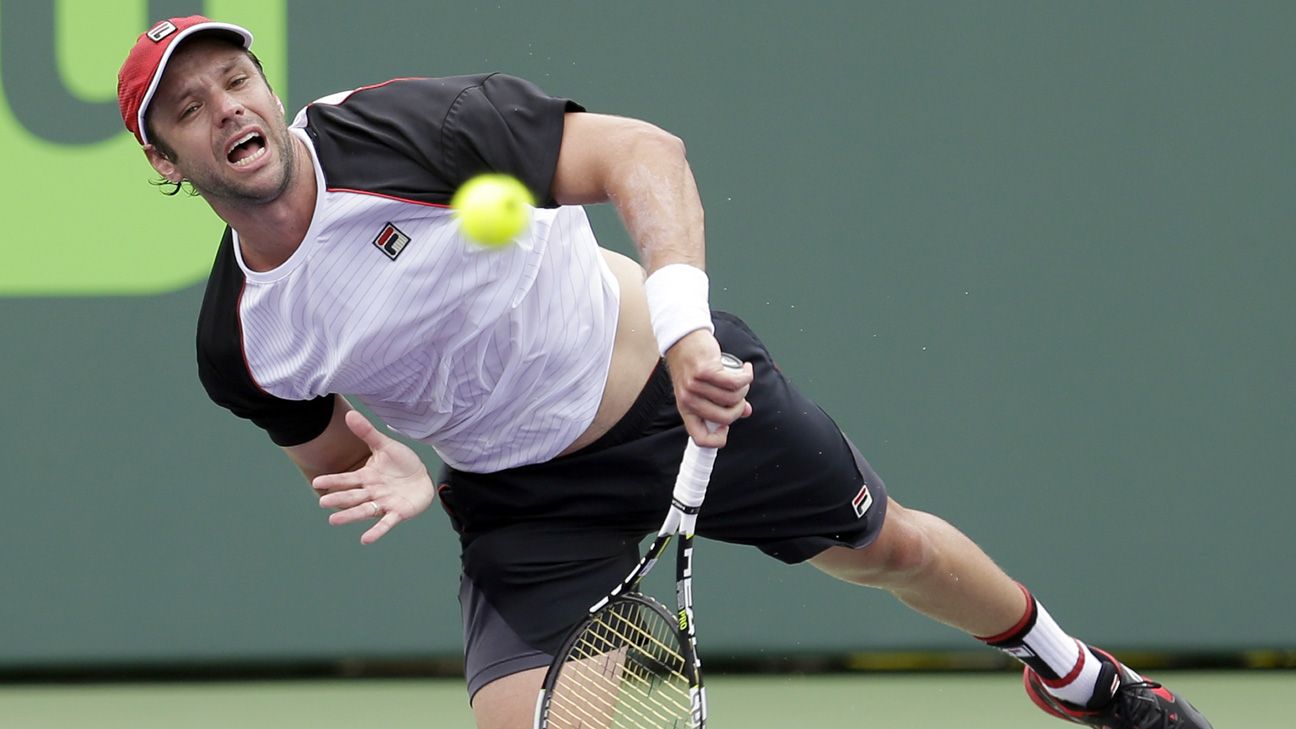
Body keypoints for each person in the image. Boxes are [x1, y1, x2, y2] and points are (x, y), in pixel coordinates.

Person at [118, 16, 1212, 729]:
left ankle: (1075, 674)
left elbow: (644, 153)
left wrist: (688, 333)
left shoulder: (405, 131)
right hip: (521, 498)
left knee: (891, 550)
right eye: (192, 109)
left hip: (674, 393)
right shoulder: (242, 343)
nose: (230, 108)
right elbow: (335, 454)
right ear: (166, 160)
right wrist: (400, 468)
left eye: (237, 79)